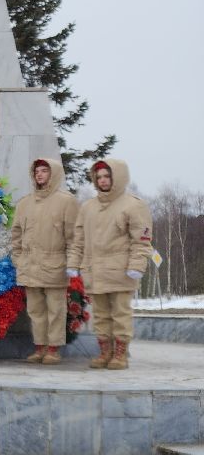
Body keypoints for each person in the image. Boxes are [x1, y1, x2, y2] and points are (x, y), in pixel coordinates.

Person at [67, 158, 153, 370]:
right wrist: (73, 263)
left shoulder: (133, 205)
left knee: (121, 314)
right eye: (99, 177)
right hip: (94, 272)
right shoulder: (88, 207)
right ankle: (105, 352)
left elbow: (142, 240)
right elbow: (78, 239)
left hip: (121, 272)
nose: (103, 180)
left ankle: (120, 354)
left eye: (107, 176)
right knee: (100, 315)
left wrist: (137, 265)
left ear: (118, 177)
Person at [10, 159, 78, 365]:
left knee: (56, 310)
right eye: (37, 171)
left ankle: (54, 349)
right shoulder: (25, 203)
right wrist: (18, 259)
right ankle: (40, 347)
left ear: (53, 174)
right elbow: (16, 235)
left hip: (55, 265)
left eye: (44, 171)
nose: (40, 175)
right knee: (35, 310)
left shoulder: (66, 202)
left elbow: (74, 236)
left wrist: (73, 263)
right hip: (29, 266)